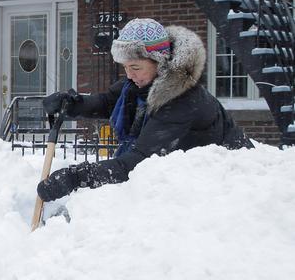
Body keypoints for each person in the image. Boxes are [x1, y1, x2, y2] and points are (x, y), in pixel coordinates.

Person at [37, 17, 251, 203]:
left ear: (159, 62)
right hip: (182, 184)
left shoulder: (180, 98)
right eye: (126, 67)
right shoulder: (138, 84)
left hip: (227, 186)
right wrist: (71, 104)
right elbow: (106, 102)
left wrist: (76, 177)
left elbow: (139, 162)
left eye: (135, 67)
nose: (129, 75)